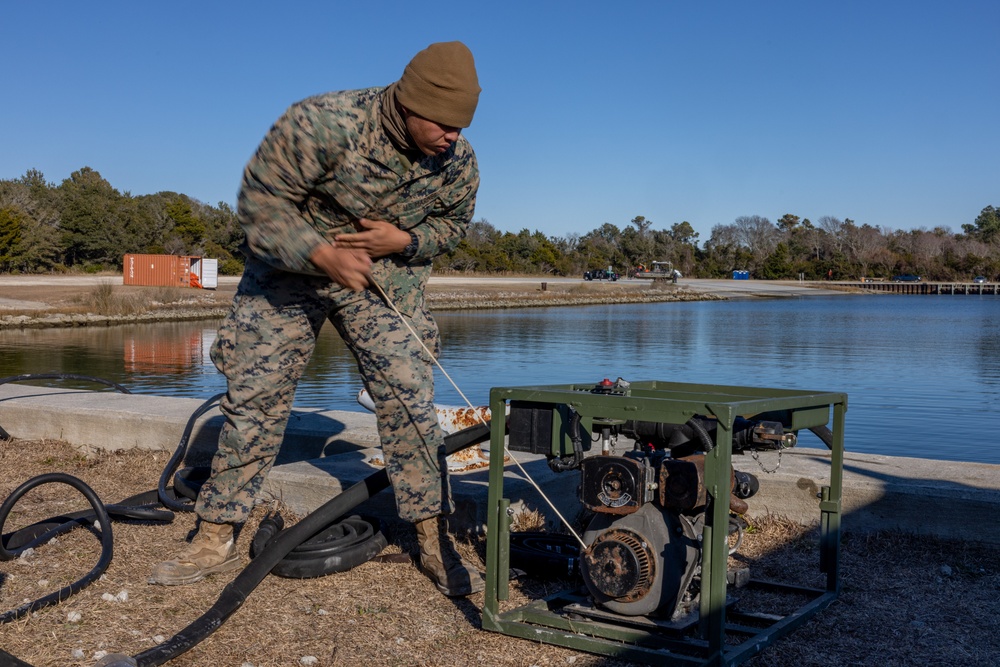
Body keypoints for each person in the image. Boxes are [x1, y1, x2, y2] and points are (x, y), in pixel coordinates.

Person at [149, 41, 484, 597]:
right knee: (256, 395)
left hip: (380, 279)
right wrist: (323, 254)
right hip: (290, 270)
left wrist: (407, 239)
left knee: (409, 396)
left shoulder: (458, 160)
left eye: (462, 125)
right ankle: (217, 529)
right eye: (445, 123)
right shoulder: (324, 122)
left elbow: (454, 224)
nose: (454, 136)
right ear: (409, 102)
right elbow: (261, 203)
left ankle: (432, 533)